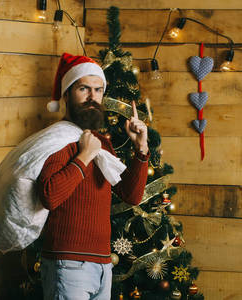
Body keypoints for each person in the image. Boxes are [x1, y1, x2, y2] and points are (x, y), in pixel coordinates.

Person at [38, 53, 150, 299]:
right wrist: (84, 157)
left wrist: (141, 149)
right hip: (67, 264)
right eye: (83, 88)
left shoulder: (101, 143)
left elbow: (130, 195)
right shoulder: (58, 140)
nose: (92, 97)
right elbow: (49, 195)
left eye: (98, 90)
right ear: (67, 93)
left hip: (101, 264)